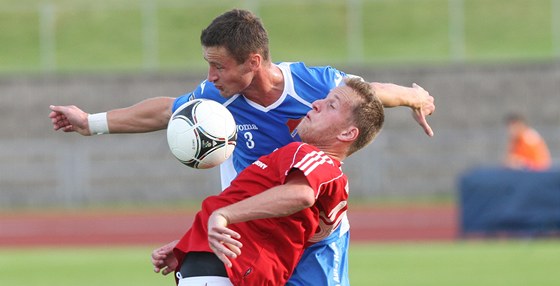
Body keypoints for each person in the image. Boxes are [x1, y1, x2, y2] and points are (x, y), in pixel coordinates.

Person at [49, 9, 435, 285]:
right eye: (208, 65)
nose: (210, 76)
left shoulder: (316, 86)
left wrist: (415, 97)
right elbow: (166, 111)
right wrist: (91, 123)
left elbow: (371, 94)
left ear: (254, 61)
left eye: (219, 66)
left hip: (315, 235)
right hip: (248, 230)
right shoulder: (215, 98)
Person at [158, 77, 385, 285]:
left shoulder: (315, 159)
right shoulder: (305, 164)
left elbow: (301, 195)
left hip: (227, 269)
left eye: (331, 105)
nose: (316, 103)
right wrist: (191, 240)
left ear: (347, 134)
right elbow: (267, 221)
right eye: (324, 98)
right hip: (219, 265)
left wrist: (224, 215)